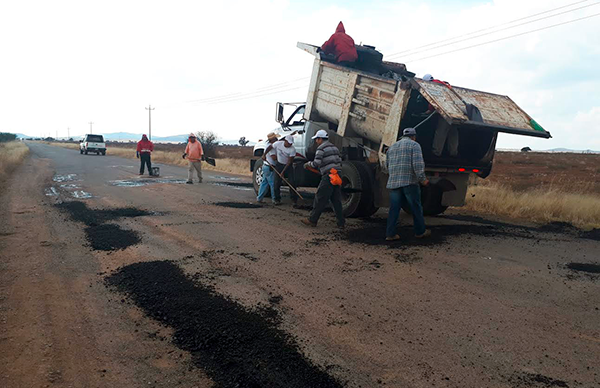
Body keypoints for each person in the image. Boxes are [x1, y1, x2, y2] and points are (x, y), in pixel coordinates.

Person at [385, 127, 431, 241]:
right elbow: (417, 164)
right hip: (409, 182)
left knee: (394, 209)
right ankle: (420, 232)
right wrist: (423, 179)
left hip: (394, 183)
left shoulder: (392, 147)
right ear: (413, 137)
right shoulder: (414, 145)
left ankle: (390, 234)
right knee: (415, 207)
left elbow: (387, 166)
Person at [301, 130, 345, 228]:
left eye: (317, 139)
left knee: (320, 197)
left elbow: (316, 163)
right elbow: (339, 161)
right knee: (336, 200)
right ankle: (341, 222)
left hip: (328, 176)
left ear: (320, 139)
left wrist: (308, 164)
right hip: (337, 175)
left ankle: (312, 220)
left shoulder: (321, 148)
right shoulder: (334, 147)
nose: (316, 141)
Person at [422, 74, 459, 157]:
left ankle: (436, 152)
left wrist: (430, 110)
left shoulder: (432, 86)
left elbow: (434, 100)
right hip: (455, 113)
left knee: (441, 132)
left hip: (445, 113)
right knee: (453, 133)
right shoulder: (443, 85)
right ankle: (453, 153)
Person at [267, 135, 297, 206]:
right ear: (285, 141)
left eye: (291, 143)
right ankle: (277, 199)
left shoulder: (292, 149)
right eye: (289, 142)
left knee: (292, 182)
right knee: (277, 182)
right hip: (279, 165)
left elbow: (289, 162)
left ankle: (294, 200)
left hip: (288, 166)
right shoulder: (278, 144)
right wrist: (264, 155)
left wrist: (283, 172)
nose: (290, 144)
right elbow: (270, 147)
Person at [257, 132, 279, 204]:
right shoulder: (271, 148)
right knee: (272, 183)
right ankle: (274, 199)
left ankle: (259, 198)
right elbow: (274, 157)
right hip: (270, 166)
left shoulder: (267, 145)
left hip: (265, 166)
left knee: (264, 183)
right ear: (273, 139)